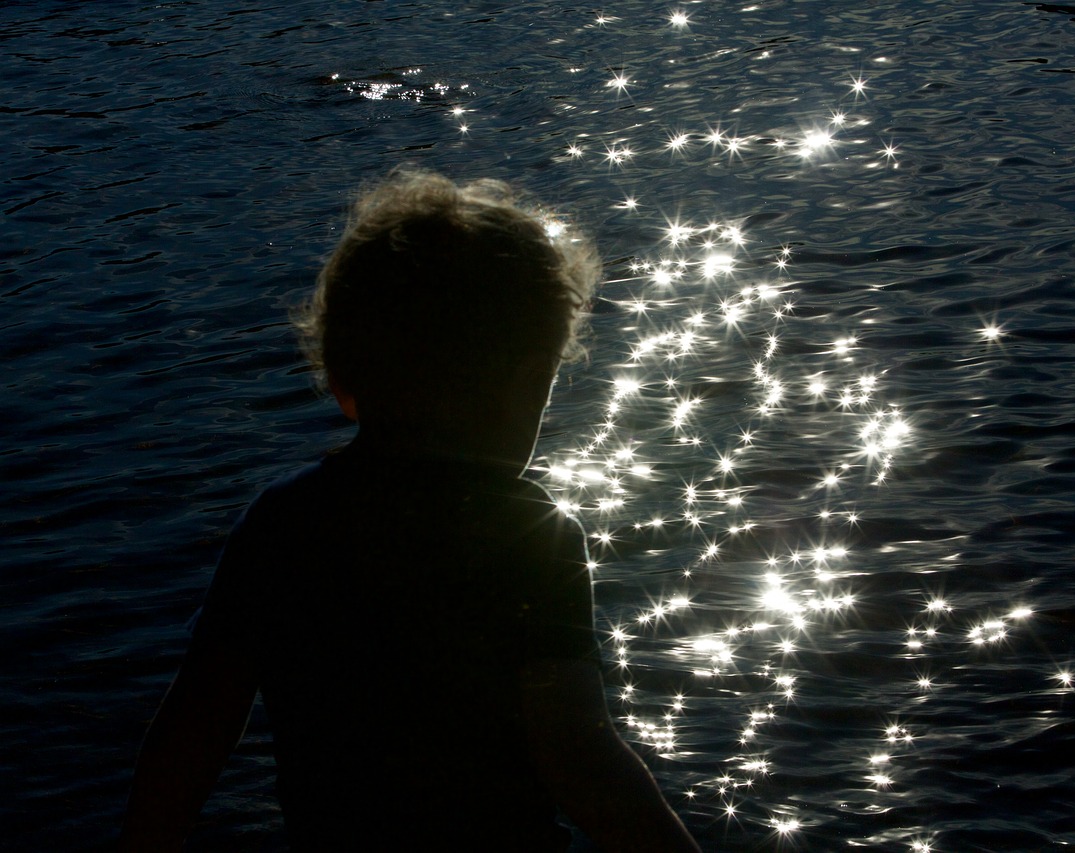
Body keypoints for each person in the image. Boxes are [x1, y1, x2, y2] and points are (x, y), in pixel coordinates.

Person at [121, 168, 702, 852]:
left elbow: (191, 734)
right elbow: (577, 752)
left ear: (342, 383)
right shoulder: (527, 536)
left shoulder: (283, 523)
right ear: (523, 387)